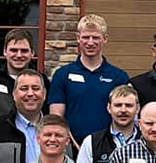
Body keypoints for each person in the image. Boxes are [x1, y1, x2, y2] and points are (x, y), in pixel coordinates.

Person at [48, 14, 130, 147]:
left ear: (105, 39)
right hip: (71, 148)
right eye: (86, 37)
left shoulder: (119, 77)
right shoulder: (62, 75)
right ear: (78, 38)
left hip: (109, 148)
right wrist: (74, 146)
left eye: (96, 38)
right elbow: (57, 118)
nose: (90, 42)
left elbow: (126, 116)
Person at [0, 28, 50, 120]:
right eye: (14, 50)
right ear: (5, 52)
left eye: (24, 51)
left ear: (32, 53)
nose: (19, 55)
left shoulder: (43, 82)